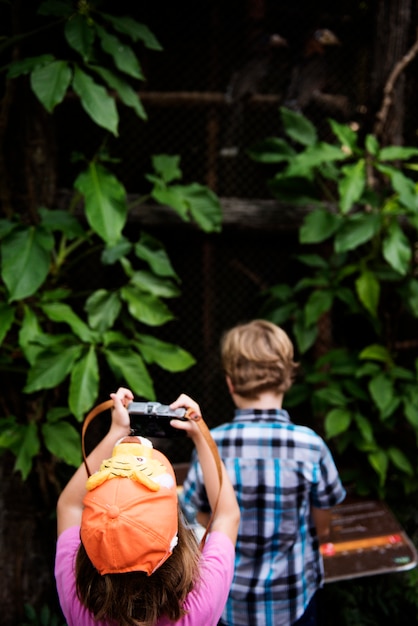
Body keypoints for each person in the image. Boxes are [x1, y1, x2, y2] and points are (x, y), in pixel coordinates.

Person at [181, 319, 346, 626]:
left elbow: (197, 525)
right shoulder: (311, 446)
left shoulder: (210, 444)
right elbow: (323, 528)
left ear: (230, 382)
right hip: (293, 601)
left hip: (227, 603)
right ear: (288, 378)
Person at [55, 386, 240, 626]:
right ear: (175, 538)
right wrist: (199, 434)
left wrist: (116, 432)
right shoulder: (196, 609)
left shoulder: (79, 602)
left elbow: (68, 505)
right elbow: (227, 515)